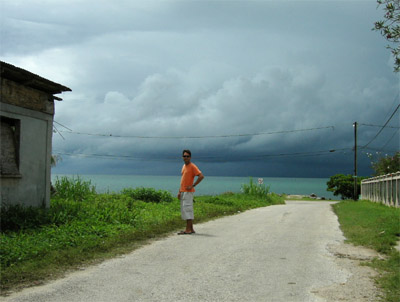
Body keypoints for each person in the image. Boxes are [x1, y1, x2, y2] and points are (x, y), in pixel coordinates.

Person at [177, 149, 204, 235]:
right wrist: (179, 191)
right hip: (183, 191)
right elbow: (183, 180)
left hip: (188, 192)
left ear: (190, 157)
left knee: (187, 209)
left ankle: (188, 229)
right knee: (186, 210)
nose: (186, 158)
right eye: (184, 156)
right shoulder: (184, 166)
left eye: (187, 156)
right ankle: (191, 229)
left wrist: (193, 185)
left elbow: (201, 176)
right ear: (182, 157)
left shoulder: (192, 166)